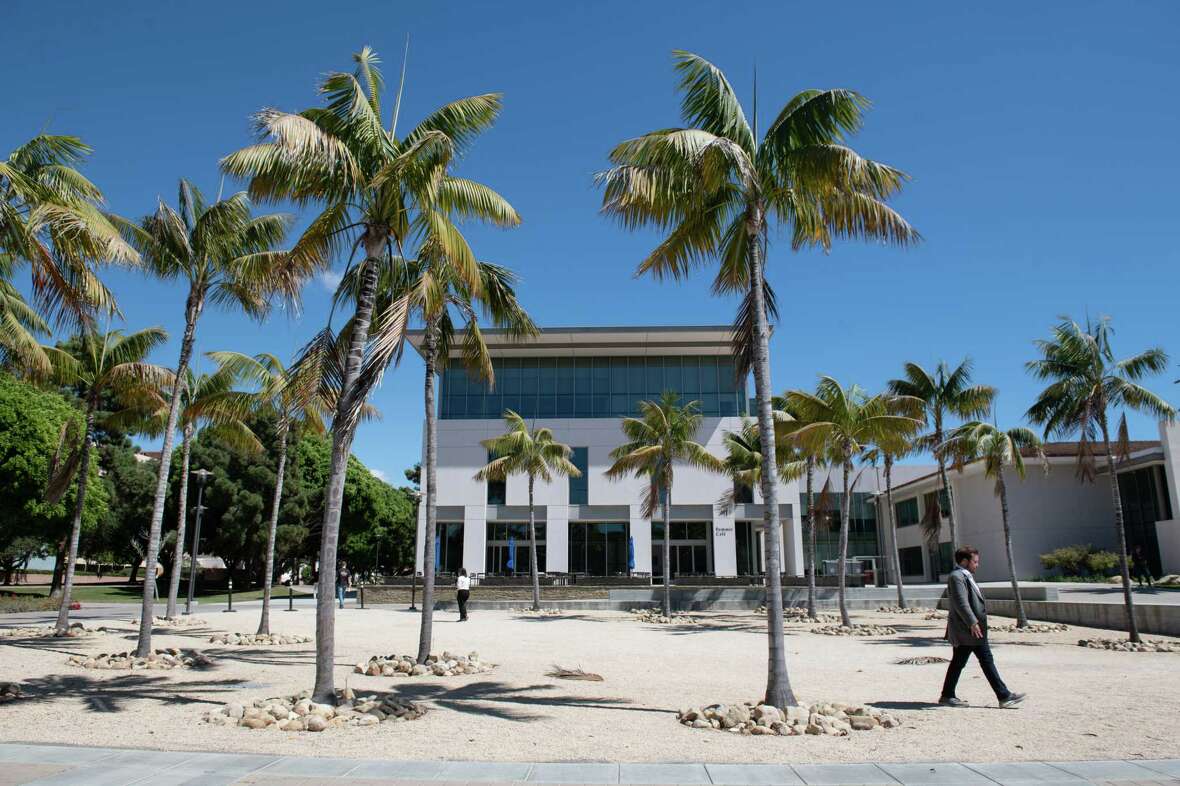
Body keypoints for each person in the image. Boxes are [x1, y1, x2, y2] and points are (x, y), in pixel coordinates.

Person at [939, 545, 1026, 709]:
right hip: (969, 630)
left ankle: (947, 695)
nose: (977, 565)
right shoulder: (957, 577)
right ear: (965, 561)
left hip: (972, 629)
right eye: (975, 561)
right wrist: (972, 622)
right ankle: (1004, 696)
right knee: (984, 660)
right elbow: (961, 603)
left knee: (961, 662)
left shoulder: (965, 576)